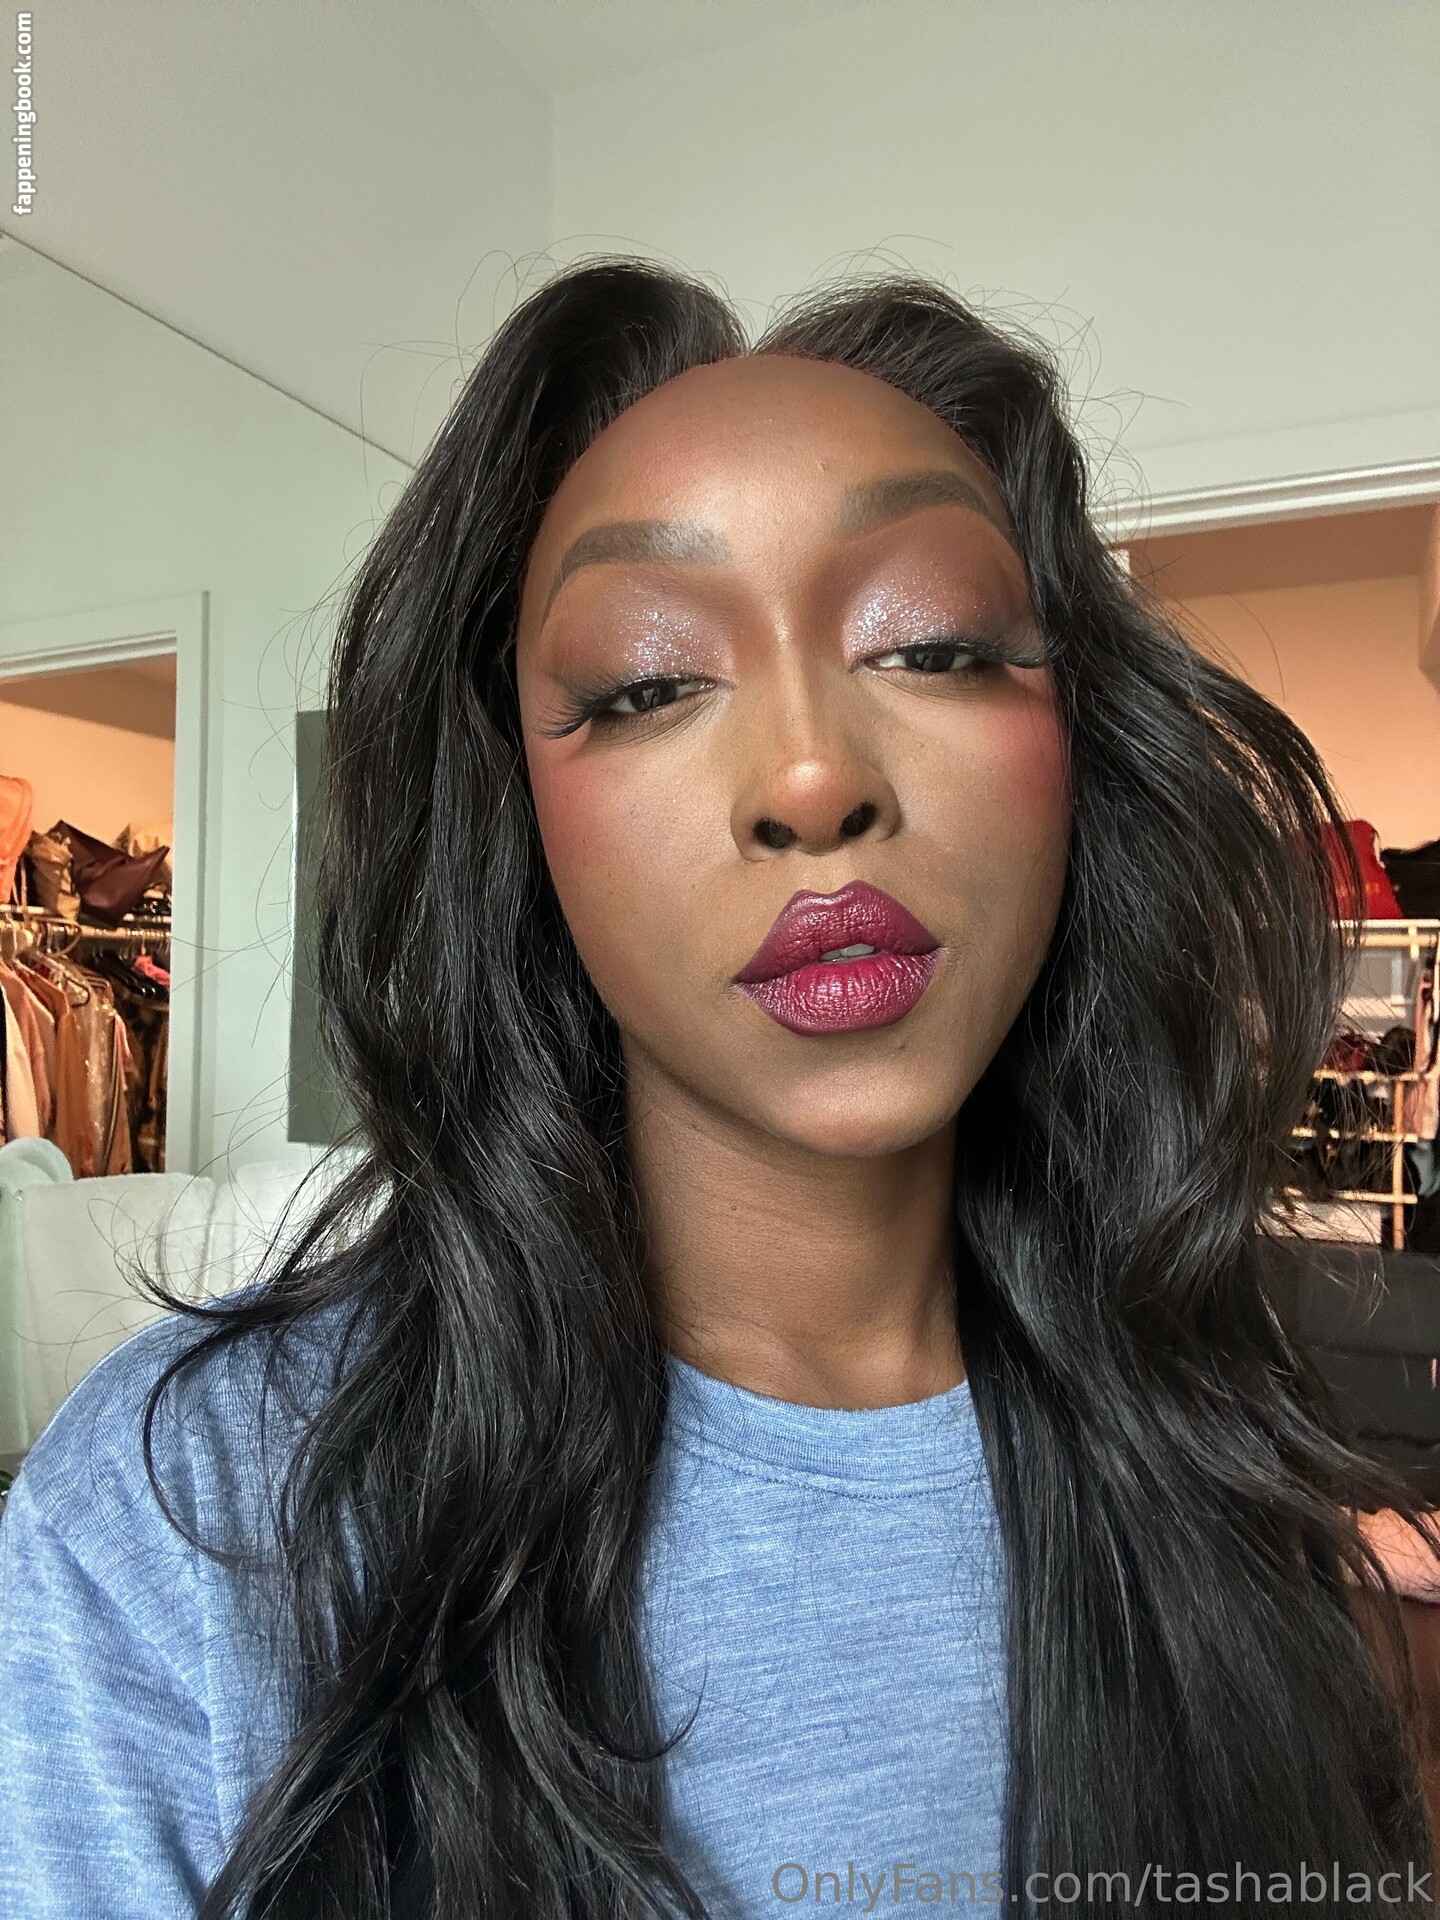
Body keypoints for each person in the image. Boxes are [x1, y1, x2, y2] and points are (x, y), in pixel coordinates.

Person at [2, 257, 1439, 1919]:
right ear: (519, 813)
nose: (813, 776)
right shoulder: (190, 1518)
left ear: (1080, 755)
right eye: (647, 684)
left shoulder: (1240, 1473)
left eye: (932, 644)